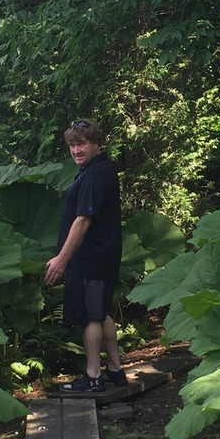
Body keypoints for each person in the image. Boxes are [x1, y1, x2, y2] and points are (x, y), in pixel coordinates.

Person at [45, 119, 126, 393]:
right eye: (72, 145)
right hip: (104, 254)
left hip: (91, 257)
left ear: (96, 144)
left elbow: (83, 220)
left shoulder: (93, 175)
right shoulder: (101, 169)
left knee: (90, 315)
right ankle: (115, 370)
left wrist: (61, 259)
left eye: (81, 144)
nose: (76, 150)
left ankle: (93, 375)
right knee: (102, 312)